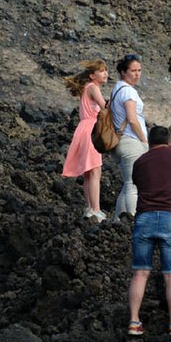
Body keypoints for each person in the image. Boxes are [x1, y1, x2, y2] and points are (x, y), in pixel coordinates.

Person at [124, 124, 171, 338]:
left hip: (144, 218)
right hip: (169, 218)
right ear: (169, 142)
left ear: (149, 142)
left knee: (140, 273)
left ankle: (134, 322)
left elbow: (138, 186)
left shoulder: (140, 162)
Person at [60, 59, 111, 221]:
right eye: (102, 71)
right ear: (92, 75)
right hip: (91, 130)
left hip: (83, 129)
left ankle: (89, 208)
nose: (106, 74)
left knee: (89, 173)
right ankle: (96, 210)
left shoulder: (86, 88)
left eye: (106, 70)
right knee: (95, 171)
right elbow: (105, 108)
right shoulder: (93, 88)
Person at [108, 55, 149, 217]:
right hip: (131, 143)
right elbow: (132, 119)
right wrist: (144, 141)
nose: (137, 74)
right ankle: (132, 221)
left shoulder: (117, 89)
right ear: (123, 72)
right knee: (134, 186)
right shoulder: (129, 92)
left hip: (119, 143)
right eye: (133, 71)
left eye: (139, 71)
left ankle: (118, 220)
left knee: (127, 185)